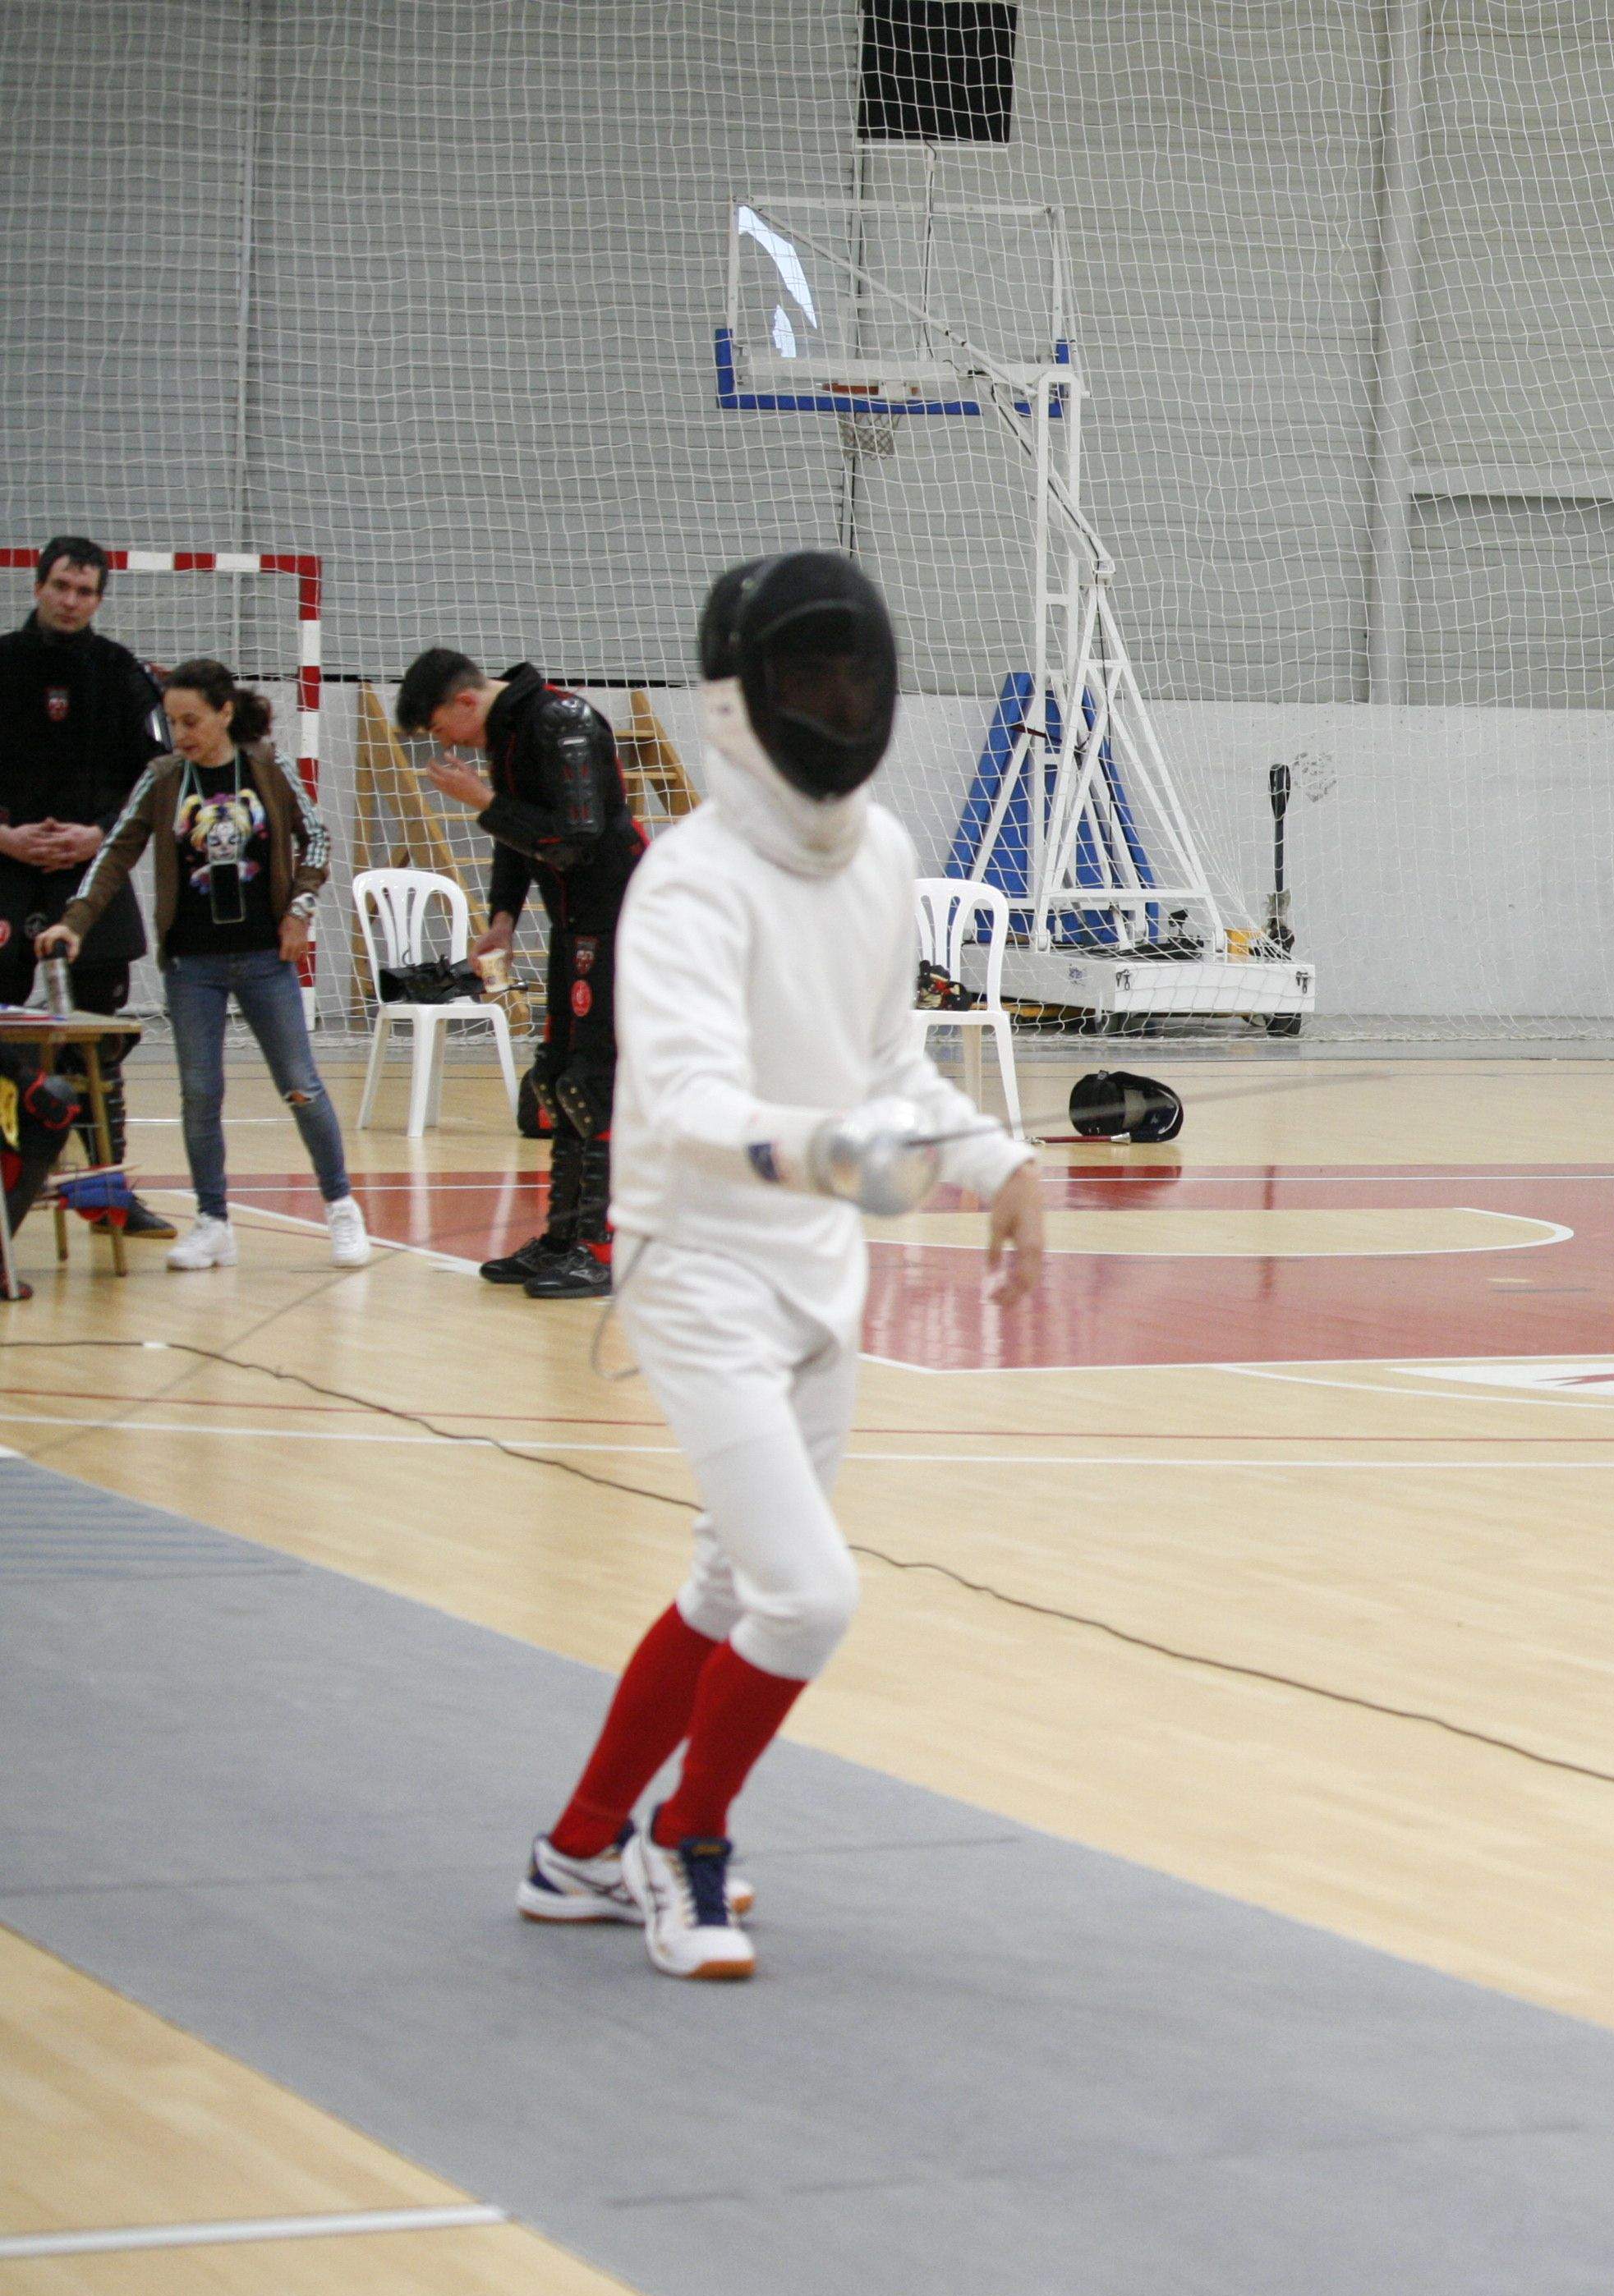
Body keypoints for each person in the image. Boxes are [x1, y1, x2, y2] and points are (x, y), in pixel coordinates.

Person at [513, 550, 1042, 1981]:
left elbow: (885, 1062)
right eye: (804, 676)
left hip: (819, 1267)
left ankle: (574, 1850)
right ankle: (683, 1842)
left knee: (725, 1586)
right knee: (807, 1593)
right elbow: (686, 1108)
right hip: (697, 1269)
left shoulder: (876, 854)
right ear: (740, 701)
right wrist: (842, 1159)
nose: (832, 699)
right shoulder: (686, 883)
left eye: (849, 673)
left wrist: (995, 1162)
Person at [39, 659, 368, 1272]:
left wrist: (299, 909)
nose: (182, 732)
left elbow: (317, 839)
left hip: (266, 959)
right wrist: (75, 921)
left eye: (192, 720)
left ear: (223, 713)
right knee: (200, 1093)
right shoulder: (164, 778)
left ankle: (341, 1205)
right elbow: (115, 853)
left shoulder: (267, 769)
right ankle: (213, 1221)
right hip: (192, 966)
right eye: (172, 721)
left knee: (301, 1084)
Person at [393, 642, 642, 1298]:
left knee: (595, 1079)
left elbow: (577, 839)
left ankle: (601, 1249)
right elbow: (516, 839)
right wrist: (503, 915)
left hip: (621, 916)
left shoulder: (564, 722)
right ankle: (562, 1238)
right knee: (557, 1077)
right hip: (573, 922)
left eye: (438, 727)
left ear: (465, 702)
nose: (442, 744)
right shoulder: (507, 735)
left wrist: (481, 799)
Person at [0, 538, 179, 1235]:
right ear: (38, 585)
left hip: (90, 877)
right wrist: (6, 837)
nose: (72, 601)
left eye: (86, 592)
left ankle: (105, 1192)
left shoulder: (121, 674)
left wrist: (100, 833)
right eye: (62, 587)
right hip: (6, 875)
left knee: (99, 1045)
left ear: (100, 599)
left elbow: (156, 775)